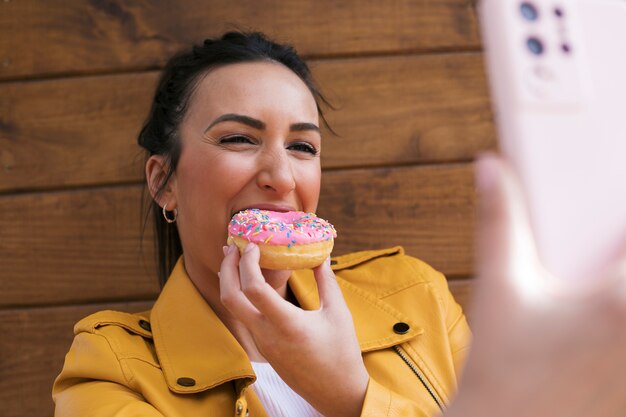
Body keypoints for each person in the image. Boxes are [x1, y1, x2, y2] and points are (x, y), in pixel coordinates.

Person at [53, 31, 626, 417]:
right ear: (163, 182)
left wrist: (351, 397)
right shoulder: (110, 372)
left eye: (302, 146)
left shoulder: (415, 297)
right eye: (237, 139)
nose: (280, 176)